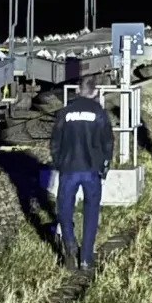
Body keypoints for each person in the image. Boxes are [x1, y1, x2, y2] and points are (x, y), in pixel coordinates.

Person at [49, 76, 114, 271]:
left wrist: (59, 163)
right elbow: (108, 143)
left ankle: (69, 245)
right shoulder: (99, 113)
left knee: (64, 210)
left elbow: (55, 143)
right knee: (91, 212)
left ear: (78, 91)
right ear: (95, 92)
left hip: (68, 169)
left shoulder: (65, 112)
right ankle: (86, 258)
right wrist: (104, 166)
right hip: (92, 170)